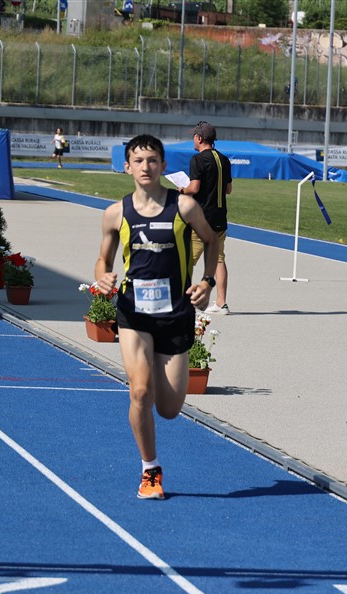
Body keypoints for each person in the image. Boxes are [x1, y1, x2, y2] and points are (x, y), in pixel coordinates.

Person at [95, 134, 218, 500]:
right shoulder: (116, 213)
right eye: (138, 160)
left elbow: (212, 241)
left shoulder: (184, 207)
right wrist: (102, 276)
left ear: (163, 166)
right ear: (126, 167)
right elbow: (103, 259)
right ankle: (150, 470)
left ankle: (157, 384)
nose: (145, 167)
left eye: (152, 160)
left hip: (175, 314)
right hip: (134, 312)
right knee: (139, 391)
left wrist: (208, 281)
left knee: (168, 408)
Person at [178, 121, 232, 314]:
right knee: (218, 259)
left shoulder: (198, 159)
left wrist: (182, 190)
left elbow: (194, 188)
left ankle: (180, 301)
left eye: (194, 136)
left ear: (199, 138)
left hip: (202, 218)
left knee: (186, 260)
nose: (193, 139)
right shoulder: (224, 159)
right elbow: (228, 189)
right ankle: (221, 303)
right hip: (220, 217)